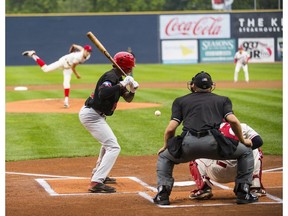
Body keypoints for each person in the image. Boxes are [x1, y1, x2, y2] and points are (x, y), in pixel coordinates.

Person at [153, 71, 258, 205]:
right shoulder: (223, 100)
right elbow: (234, 121)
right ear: (211, 86)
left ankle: (163, 193)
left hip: (188, 144)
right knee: (245, 152)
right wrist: (243, 141)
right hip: (214, 144)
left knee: (165, 157)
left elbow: (170, 129)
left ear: (192, 86)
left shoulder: (181, 101)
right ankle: (243, 192)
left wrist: (166, 146)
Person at [78, 51, 139, 193]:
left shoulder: (117, 78)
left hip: (97, 115)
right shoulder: (111, 76)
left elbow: (128, 98)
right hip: (91, 115)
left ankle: (99, 174)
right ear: (127, 67)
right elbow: (103, 93)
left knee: (108, 145)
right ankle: (96, 182)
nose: (131, 70)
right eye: (130, 67)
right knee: (114, 147)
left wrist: (132, 89)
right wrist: (123, 83)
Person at [189, 121, 266, 200]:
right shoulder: (242, 126)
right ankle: (255, 187)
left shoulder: (209, 130)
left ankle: (204, 187)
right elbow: (258, 141)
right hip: (244, 171)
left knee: (196, 152)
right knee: (256, 149)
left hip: (218, 172)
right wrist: (243, 149)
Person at [22, 44, 92, 108]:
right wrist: (77, 75)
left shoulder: (87, 55)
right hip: (63, 61)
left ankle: (66, 101)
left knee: (66, 83)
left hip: (68, 67)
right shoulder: (78, 57)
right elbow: (73, 67)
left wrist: (74, 47)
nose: (88, 52)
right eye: (87, 51)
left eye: (89, 51)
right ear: (85, 50)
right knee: (46, 69)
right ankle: (33, 54)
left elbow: (79, 47)